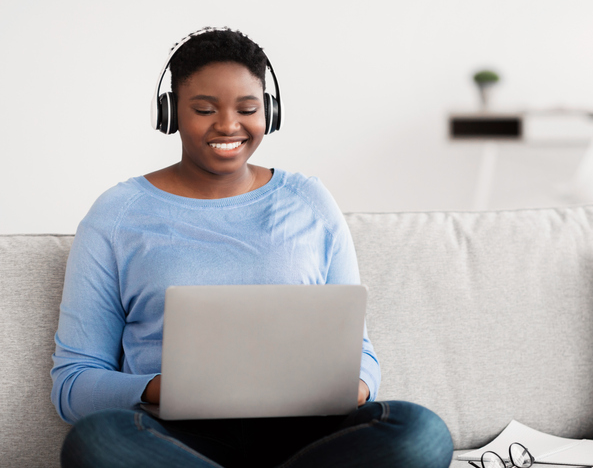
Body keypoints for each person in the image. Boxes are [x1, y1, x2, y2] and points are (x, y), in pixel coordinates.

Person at [51, 27, 454, 467]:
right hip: (178, 440)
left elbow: (361, 353)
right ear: (169, 114)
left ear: (270, 113)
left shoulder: (310, 202)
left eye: (247, 108)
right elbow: (72, 385)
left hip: (308, 436)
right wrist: (165, 387)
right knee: (97, 441)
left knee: (420, 434)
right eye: (204, 109)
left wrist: (355, 385)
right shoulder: (117, 215)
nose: (228, 125)